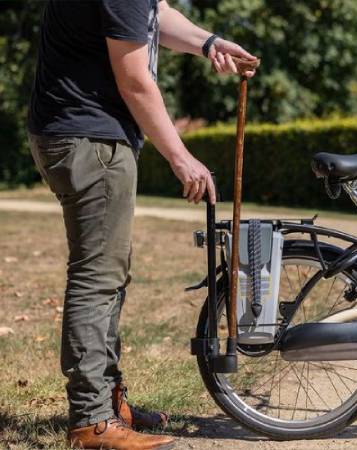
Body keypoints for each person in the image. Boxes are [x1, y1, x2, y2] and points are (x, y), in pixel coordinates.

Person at [27, 1, 257, 449]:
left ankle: (109, 401)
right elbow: (134, 80)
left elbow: (157, 14)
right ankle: (91, 420)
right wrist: (181, 157)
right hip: (91, 137)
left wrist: (208, 43)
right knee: (98, 278)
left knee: (109, 274)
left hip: (76, 131)